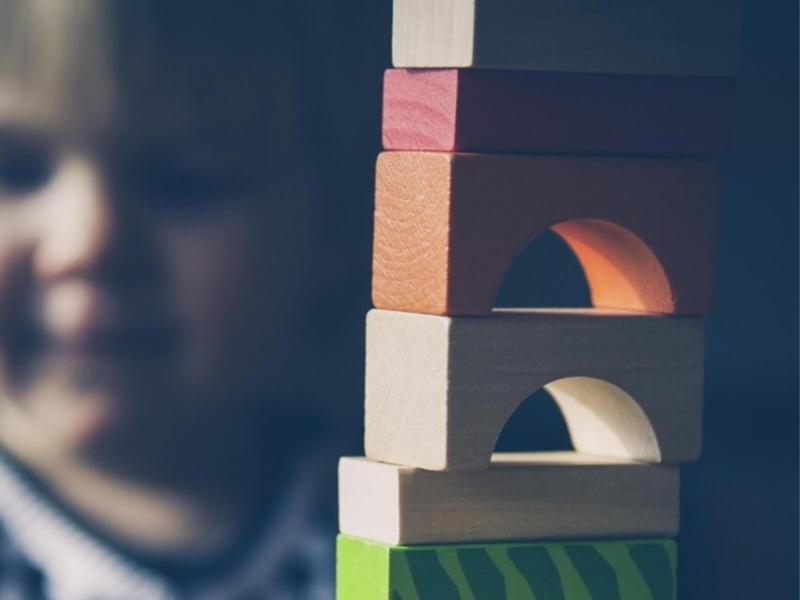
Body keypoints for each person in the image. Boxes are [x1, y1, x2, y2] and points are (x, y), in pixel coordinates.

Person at [0, 1, 383, 598]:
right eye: (14, 171)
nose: (87, 243)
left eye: (186, 180)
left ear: (338, 224)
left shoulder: (401, 526)